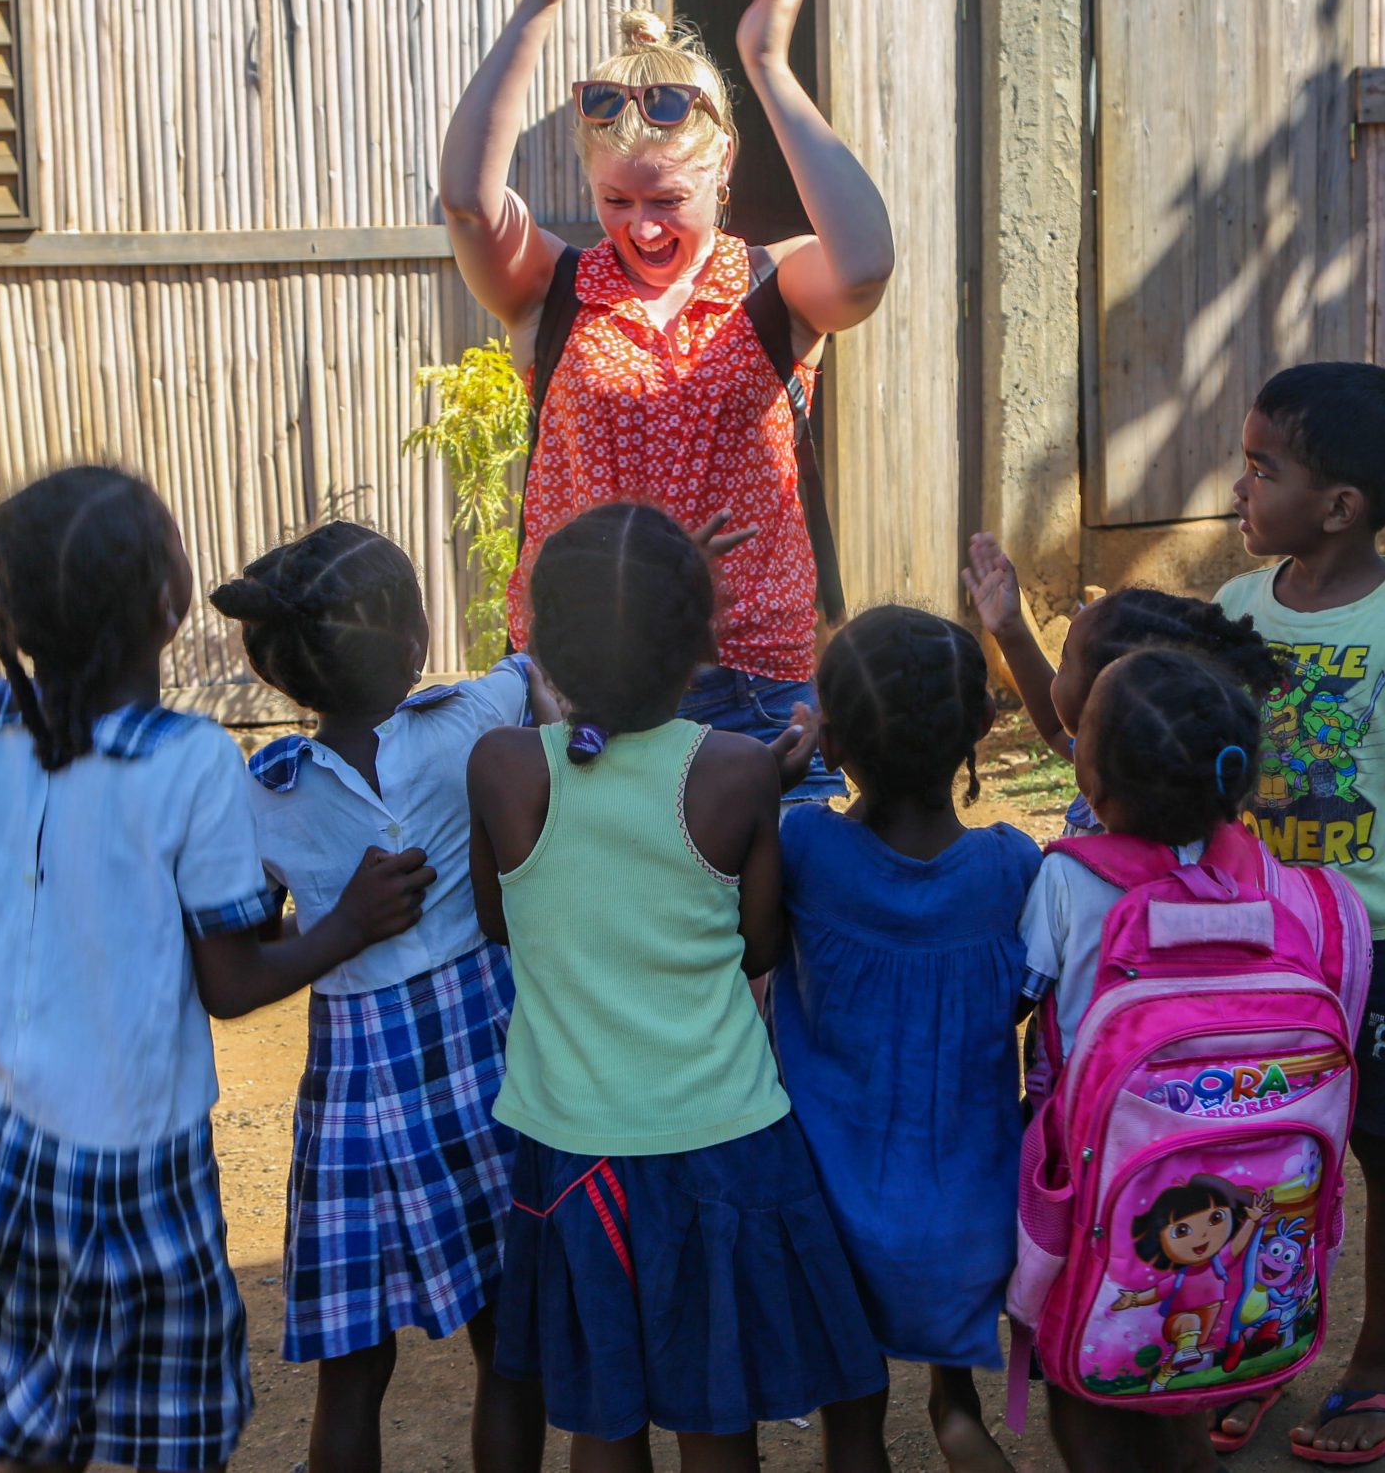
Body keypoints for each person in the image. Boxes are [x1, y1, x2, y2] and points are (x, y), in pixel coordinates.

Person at [0, 467, 436, 1473]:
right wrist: (346, 928)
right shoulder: (190, 762)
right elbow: (229, 985)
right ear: (167, 599)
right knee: (155, 1413)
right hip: (130, 1160)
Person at [439, 0, 895, 794]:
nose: (640, 228)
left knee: (772, 931)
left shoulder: (771, 288)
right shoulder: (555, 290)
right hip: (580, 684)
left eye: (666, 201)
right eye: (616, 202)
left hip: (755, 682)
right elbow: (470, 204)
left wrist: (767, 68)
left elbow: (862, 265)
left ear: (722, 168)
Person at [467, 501, 881, 1470]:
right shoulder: (736, 771)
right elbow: (756, 947)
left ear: (544, 642)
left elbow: (500, 923)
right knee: (714, 1407)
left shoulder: (503, 766)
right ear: (699, 641)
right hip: (720, 1143)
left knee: (601, 1418)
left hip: (570, 1145)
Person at [211, 522, 548, 1473]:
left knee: (352, 1373)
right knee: (508, 1351)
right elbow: (551, 658)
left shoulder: (261, 794)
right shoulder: (477, 716)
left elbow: (230, 980)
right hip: (490, 1065)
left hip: (356, 1099)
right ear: (414, 642)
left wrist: (337, 931)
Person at [1209, 362, 1385, 1464]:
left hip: (1382, 940)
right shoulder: (1235, 610)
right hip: (1261, 936)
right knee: (1258, 1149)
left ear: (1338, 506)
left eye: (1260, 467)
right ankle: (1254, 1350)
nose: (1240, 487)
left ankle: (1384, 1365)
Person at [768, 604, 1040, 1473]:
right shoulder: (1010, 866)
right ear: (981, 731)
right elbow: (1024, 996)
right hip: (970, 1211)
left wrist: (782, 769)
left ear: (834, 743)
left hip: (835, 1205)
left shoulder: (804, 843)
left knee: (854, 1429)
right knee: (958, 1415)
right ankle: (959, 1413)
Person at [1017, 646, 1277, 1473]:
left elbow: (1018, 996)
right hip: (1226, 1152)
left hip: (1090, 1162)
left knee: (1078, 1354)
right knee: (1178, 1338)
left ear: (1091, 780)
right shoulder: (1257, 871)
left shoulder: (1066, 880)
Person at [966, 537, 1271, 836]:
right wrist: (1010, 630)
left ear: (1102, 699)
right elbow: (1056, 729)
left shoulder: (1088, 860)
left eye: (1064, 662)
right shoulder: (1149, 758)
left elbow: (1056, 729)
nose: (1057, 674)